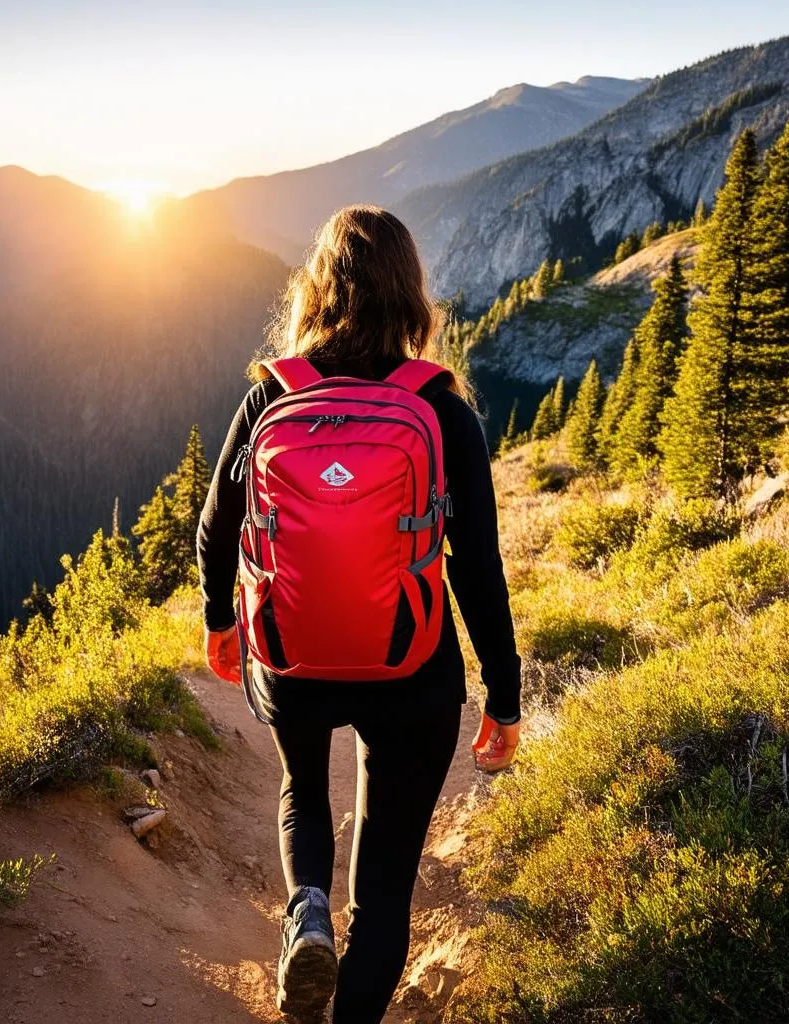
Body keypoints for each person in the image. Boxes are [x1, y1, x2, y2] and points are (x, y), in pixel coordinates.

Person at [196, 205, 521, 1023]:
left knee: (304, 785)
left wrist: (221, 620)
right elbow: (477, 570)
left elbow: (215, 527)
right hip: (412, 668)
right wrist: (504, 697)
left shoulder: (275, 391)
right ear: (411, 294)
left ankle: (306, 905)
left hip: (290, 654)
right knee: (383, 893)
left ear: (316, 288)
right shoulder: (443, 409)